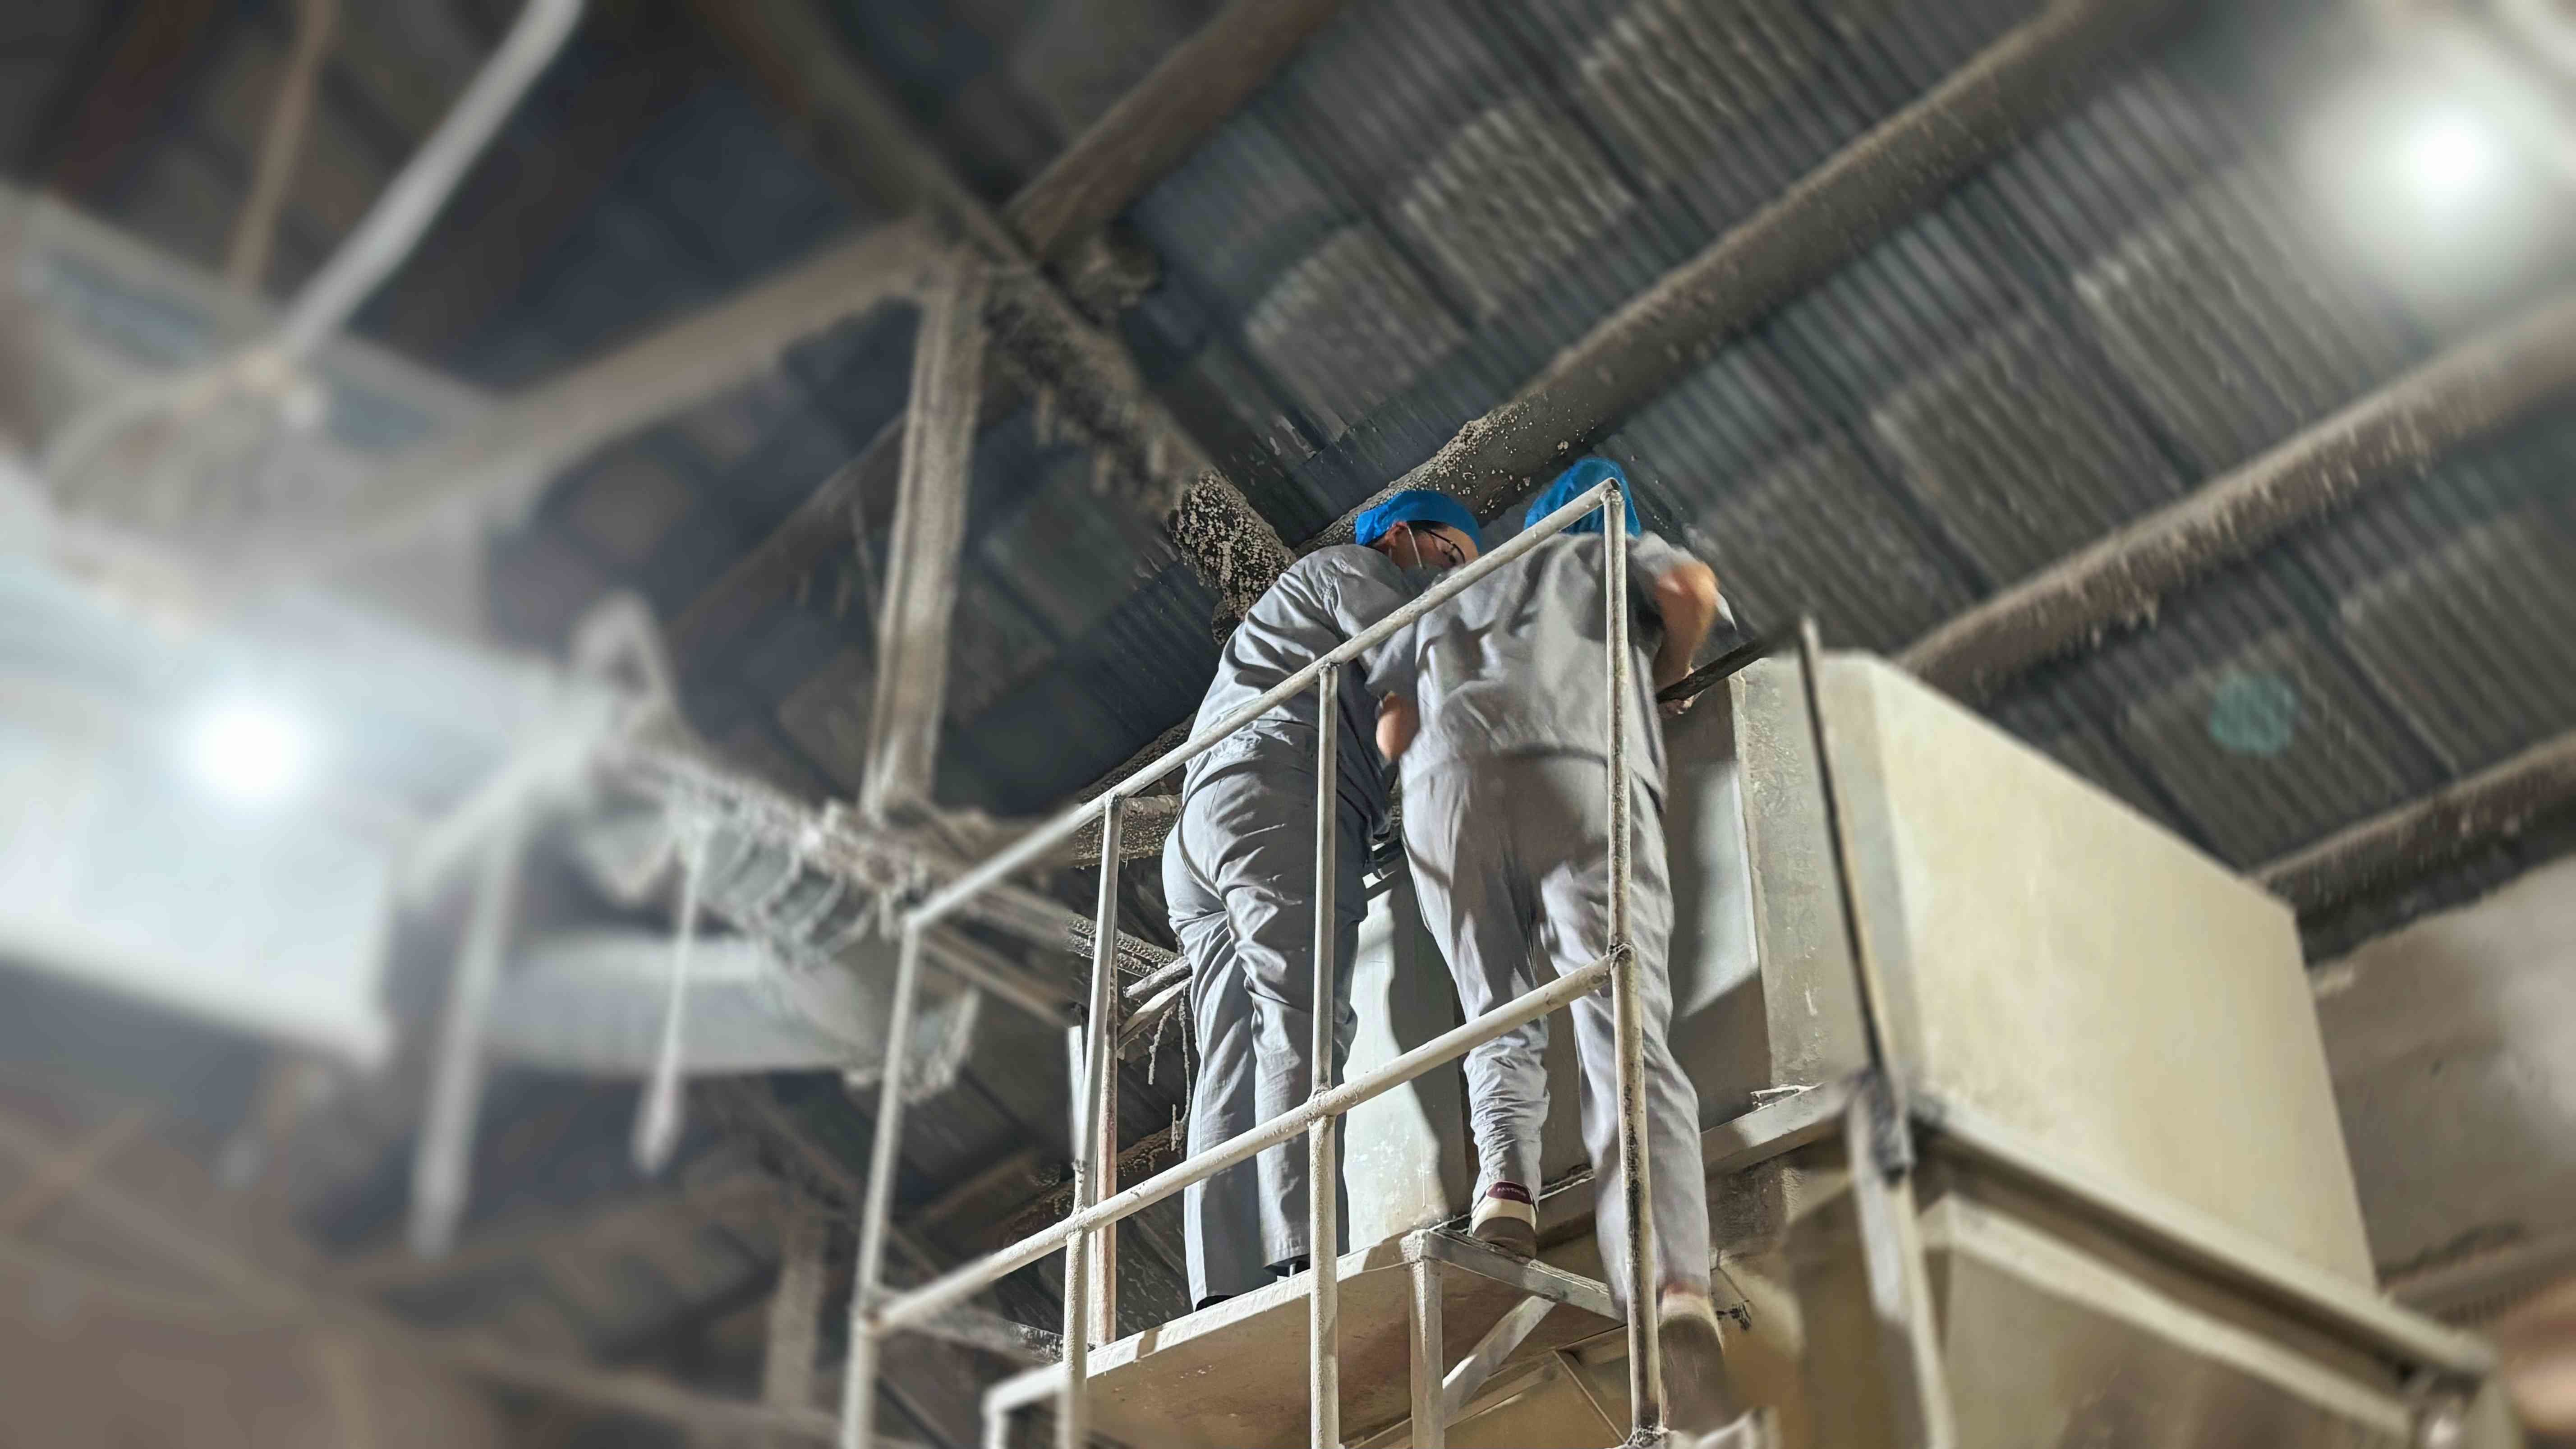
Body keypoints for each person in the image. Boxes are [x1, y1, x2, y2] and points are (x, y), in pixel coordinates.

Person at [1375, 456, 1740, 1432]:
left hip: (1443, 792)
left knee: (1495, 1003)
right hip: (1579, 760)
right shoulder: (1605, 547)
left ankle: (1506, 1187)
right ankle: (1671, 1281)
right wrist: (1665, 673)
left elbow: (1391, 729)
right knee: (1623, 1024)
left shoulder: (1453, 591)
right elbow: (1689, 589)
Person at [1163, 489, 1483, 1310]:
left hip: (1200, 829)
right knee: (1301, 1018)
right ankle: (1302, 1256)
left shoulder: (1290, 612)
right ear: (1401, 537)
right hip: (1280, 793)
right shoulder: (1355, 570)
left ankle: (1219, 1283)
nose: (1452, 579)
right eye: (1450, 557)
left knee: (1232, 1047)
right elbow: (1410, 663)